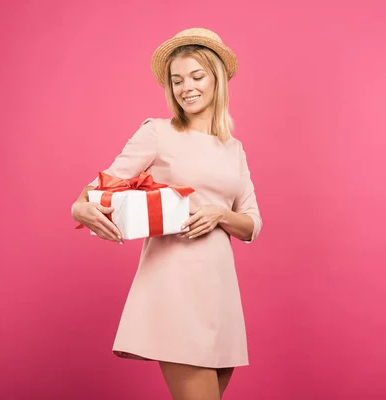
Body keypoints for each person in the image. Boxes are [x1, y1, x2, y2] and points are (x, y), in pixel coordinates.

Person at [71, 28, 263, 400]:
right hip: (173, 286)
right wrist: (79, 206)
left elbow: (252, 224)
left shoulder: (233, 149)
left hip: (219, 290)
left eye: (196, 76)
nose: (185, 88)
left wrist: (219, 213)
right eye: (177, 80)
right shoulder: (157, 133)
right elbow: (100, 188)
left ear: (217, 79)